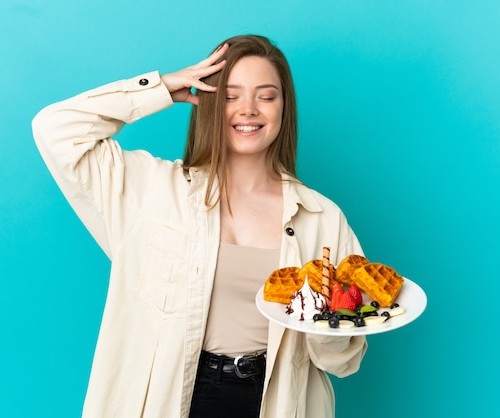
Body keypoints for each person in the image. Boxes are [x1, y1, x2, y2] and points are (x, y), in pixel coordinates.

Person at [32, 34, 367, 418]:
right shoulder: (153, 192)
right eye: (230, 95)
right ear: (209, 101)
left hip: (280, 401)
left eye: (266, 95)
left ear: (284, 108)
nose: (248, 109)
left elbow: (343, 363)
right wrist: (160, 88)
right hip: (177, 397)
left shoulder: (321, 217)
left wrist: (329, 328)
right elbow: (54, 129)